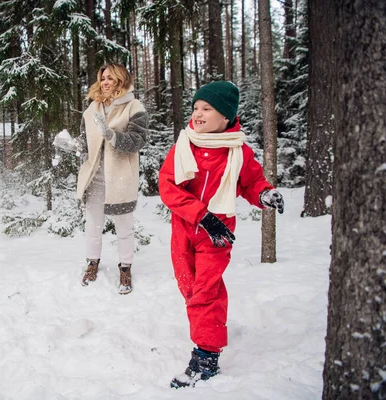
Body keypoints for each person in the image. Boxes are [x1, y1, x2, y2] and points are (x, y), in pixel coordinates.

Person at [158, 81, 284, 388]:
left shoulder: (237, 151)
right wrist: (200, 215)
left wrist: (264, 195)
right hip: (186, 228)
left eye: (207, 109)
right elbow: (167, 187)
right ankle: (208, 327)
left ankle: (206, 356)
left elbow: (252, 182)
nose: (198, 113)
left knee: (206, 289)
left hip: (217, 234)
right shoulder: (184, 145)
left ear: (225, 117)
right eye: (196, 107)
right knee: (190, 287)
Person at [76, 63, 148, 294]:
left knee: (124, 227)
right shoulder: (92, 109)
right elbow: (85, 142)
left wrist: (112, 135)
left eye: (111, 78)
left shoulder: (133, 106)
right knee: (93, 225)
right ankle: (92, 263)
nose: (105, 82)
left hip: (120, 177)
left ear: (121, 80)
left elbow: (138, 140)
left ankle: (125, 268)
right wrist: (73, 146)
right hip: (94, 176)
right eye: (103, 78)